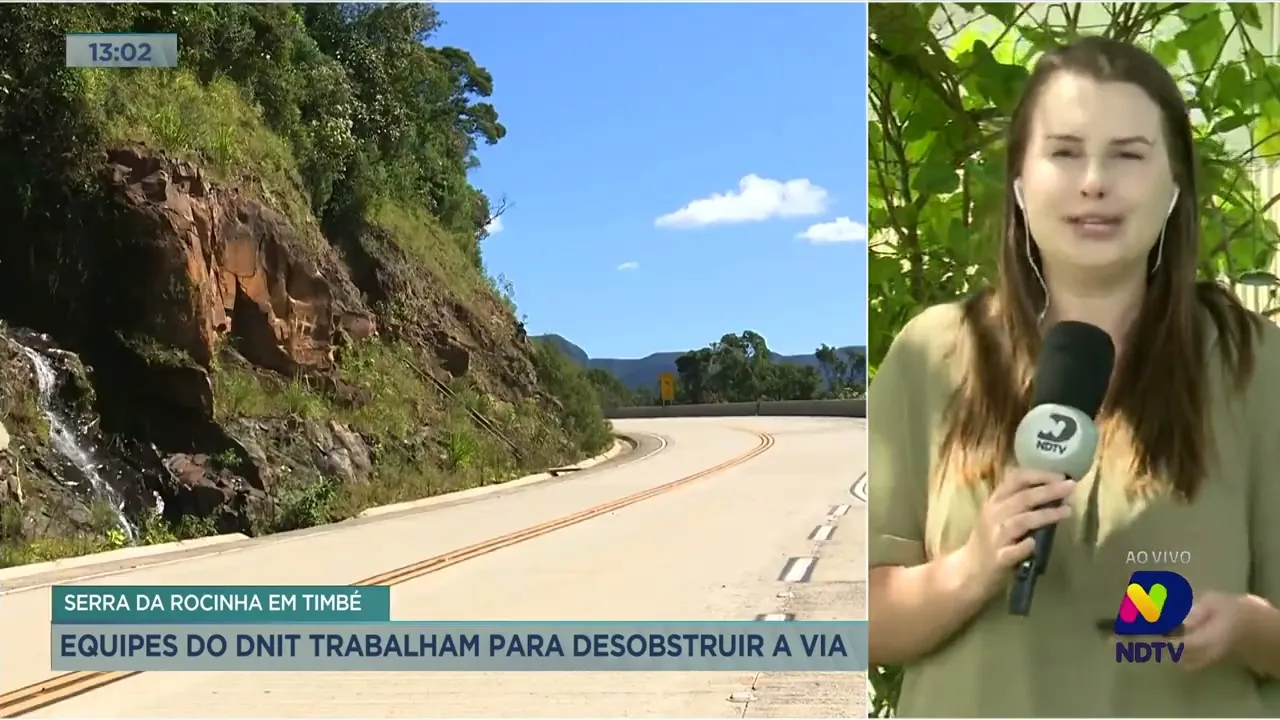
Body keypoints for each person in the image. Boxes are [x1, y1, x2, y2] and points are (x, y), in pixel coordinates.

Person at [868, 35, 1280, 717]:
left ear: (1175, 188)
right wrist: (970, 569)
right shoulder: (933, 355)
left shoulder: (1251, 362)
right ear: (1023, 188)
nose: (1094, 180)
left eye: (1127, 155)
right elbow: (859, 623)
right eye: (1065, 153)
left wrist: (1245, 627)